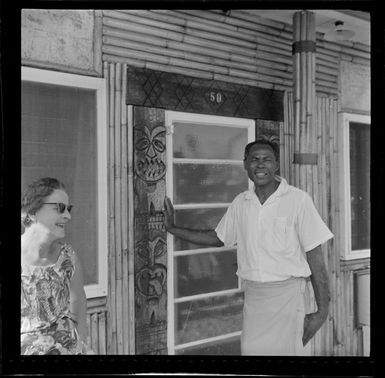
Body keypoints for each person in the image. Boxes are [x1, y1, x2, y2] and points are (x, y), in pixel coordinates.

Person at [163, 139, 333, 356]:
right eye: (254, 159)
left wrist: (321, 312)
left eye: (266, 160)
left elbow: (315, 257)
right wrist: (173, 228)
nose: (260, 165)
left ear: (277, 165)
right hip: (254, 298)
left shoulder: (298, 201)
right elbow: (218, 237)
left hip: (289, 298)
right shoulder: (240, 202)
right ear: (245, 164)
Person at [21, 177, 90, 355]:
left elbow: (78, 303)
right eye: (59, 208)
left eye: (68, 209)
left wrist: (79, 345)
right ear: (31, 212)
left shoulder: (67, 257)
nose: (68, 215)